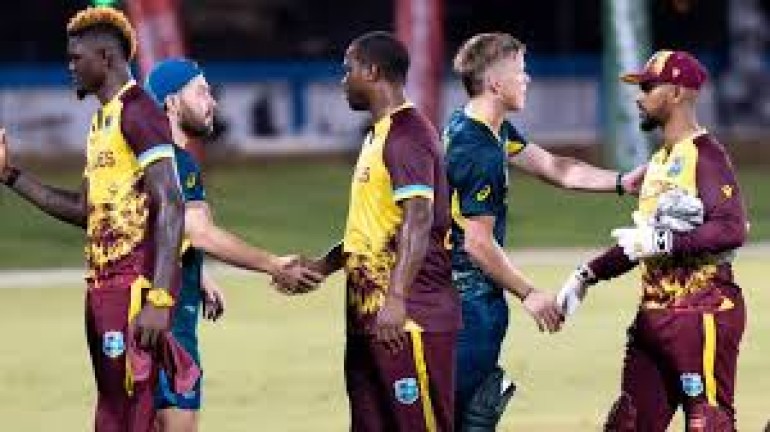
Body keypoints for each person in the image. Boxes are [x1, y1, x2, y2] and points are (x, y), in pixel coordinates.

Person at [0, 7, 190, 431]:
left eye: (76, 58)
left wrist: (159, 299)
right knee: (114, 411)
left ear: (105, 58)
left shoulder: (138, 112)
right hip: (103, 288)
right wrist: (10, 176)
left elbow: (171, 203)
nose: (70, 67)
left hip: (133, 289)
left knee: (128, 413)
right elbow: (85, 211)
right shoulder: (103, 121)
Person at [444, 32, 646, 431]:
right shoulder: (478, 149)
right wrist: (530, 293)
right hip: (466, 305)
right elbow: (477, 243)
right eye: (520, 71)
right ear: (495, 84)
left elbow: (556, 168)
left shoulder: (483, 128)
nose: (528, 79)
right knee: (452, 418)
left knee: (465, 415)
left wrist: (622, 182)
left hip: (463, 300)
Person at [557, 50, 748, 431]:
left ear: (676, 93)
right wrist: (587, 274)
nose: (638, 97)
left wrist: (663, 241)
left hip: (702, 311)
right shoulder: (660, 161)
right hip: (654, 317)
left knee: (709, 423)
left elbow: (732, 228)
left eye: (648, 87)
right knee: (628, 422)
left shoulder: (706, 155)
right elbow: (642, 242)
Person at [280, 31, 461, 431]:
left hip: (410, 319)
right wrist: (322, 267)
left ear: (373, 72)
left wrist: (396, 299)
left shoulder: (407, 136)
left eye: (349, 70)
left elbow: (418, 218)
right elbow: (370, 231)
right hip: (370, 320)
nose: (343, 80)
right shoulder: (377, 137)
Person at [144, 58, 324, 431]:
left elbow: (158, 230)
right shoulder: (176, 163)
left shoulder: (144, 157)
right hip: (166, 325)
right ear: (172, 103)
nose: (213, 102)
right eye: (202, 92)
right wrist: (274, 264)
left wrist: (197, 274)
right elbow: (200, 232)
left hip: (136, 317)